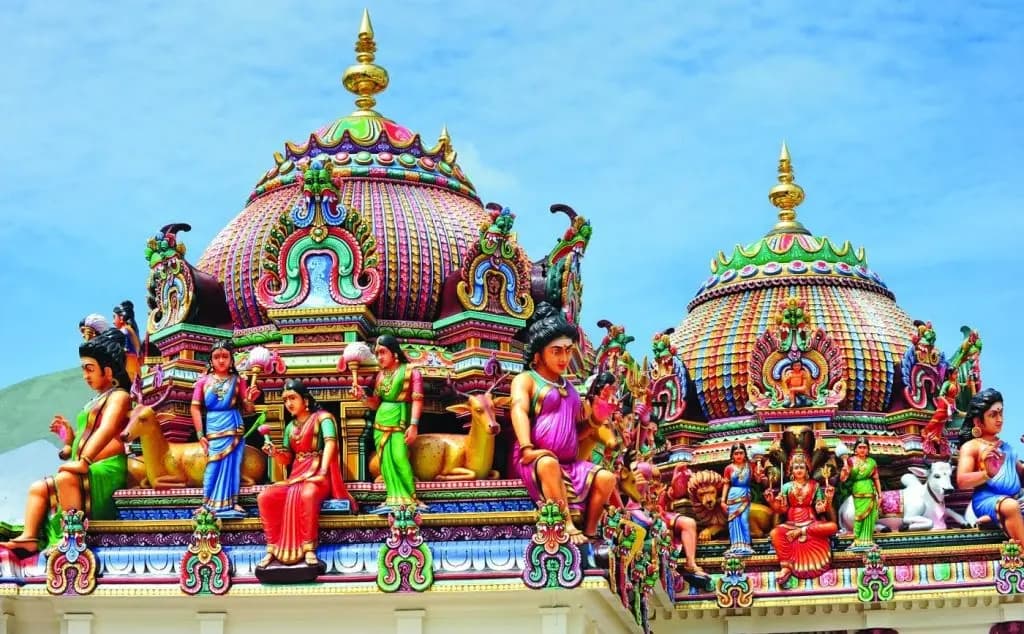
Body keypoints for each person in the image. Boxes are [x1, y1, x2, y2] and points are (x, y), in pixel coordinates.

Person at [0, 329, 132, 557]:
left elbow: (107, 429)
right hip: (85, 465)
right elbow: (82, 440)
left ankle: (71, 539)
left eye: (89, 369)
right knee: (38, 489)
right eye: (83, 369)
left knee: (66, 478)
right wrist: (69, 440)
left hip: (107, 466)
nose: (85, 376)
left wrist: (85, 460)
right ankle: (30, 538)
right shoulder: (93, 402)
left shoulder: (119, 396)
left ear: (108, 370)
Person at [510, 302, 619, 545]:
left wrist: (596, 419)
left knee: (606, 478)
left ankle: (590, 532)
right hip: (534, 458)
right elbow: (518, 409)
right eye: (556, 351)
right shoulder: (526, 380)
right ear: (538, 354)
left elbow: (577, 433)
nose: (564, 358)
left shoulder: (569, 388)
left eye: (568, 351)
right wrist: (527, 447)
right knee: (548, 462)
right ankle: (566, 524)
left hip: (567, 463)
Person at [256, 379, 357, 569]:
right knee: (265, 497)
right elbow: (287, 458)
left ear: (306, 400)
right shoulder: (290, 427)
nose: (289, 404)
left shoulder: (323, 418)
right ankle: (272, 547)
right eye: (285, 400)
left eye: (292, 398)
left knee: (307, 494)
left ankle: (308, 548)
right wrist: (275, 453)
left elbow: (330, 444)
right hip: (296, 477)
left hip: (320, 473)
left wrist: (323, 472)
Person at [351, 335, 423, 513]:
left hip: (399, 422)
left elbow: (417, 399)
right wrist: (362, 397)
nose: (380, 357)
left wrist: (414, 425)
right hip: (380, 423)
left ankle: (411, 498)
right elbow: (376, 403)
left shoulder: (410, 371)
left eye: (383, 352)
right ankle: (392, 497)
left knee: (399, 458)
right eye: (377, 354)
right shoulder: (380, 375)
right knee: (385, 463)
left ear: (394, 353)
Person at [191, 340, 260, 518]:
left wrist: (251, 400)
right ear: (211, 360)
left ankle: (233, 502)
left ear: (231, 360)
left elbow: (248, 410)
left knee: (233, 466)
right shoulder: (203, 382)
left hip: (233, 425)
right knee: (212, 466)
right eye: (216, 357)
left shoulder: (238, 381)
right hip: (213, 427)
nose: (221, 361)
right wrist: (200, 434)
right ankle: (206, 503)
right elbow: (195, 407)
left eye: (225, 356)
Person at [957, 388, 1024, 542]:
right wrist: (987, 473)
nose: (999, 419)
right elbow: (962, 481)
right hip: (987, 499)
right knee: (1011, 507)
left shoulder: (1006, 447)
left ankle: (992, 520)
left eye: (1001, 413)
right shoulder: (972, 446)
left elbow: (1021, 478)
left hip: (1013, 498)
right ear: (978, 421)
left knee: (1012, 505)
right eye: (993, 415)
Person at [765, 450, 838, 585]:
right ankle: (786, 567)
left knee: (832, 527)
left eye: (802, 467)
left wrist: (828, 498)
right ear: (791, 470)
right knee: (775, 533)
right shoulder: (787, 487)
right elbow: (781, 509)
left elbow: (820, 509)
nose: (799, 470)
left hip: (810, 523)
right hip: (791, 524)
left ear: (807, 470)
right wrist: (771, 501)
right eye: (796, 467)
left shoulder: (814, 486)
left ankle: (802, 532)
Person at [839, 437, 881, 551]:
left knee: (871, 517)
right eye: (860, 447)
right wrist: (844, 471)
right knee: (859, 516)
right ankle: (857, 539)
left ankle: (868, 540)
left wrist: (880, 495)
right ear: (855, 449)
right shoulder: (850, 461)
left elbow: (876, 479)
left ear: (868, 450)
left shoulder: (872, 462)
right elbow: (843, 479)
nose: (862, 450)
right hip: (858, 489)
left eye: (865, 447)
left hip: (871, 491)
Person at [721, 443, 762, 557]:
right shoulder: (729, 468)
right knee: (733, 521)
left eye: (741, 453)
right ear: (732, 455)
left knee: (744, 520)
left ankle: (747, 545)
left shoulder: (750, 466)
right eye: (736, 453)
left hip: (745, 494)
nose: (738, 456)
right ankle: (735, 545)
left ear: (745, 454)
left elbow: (758, 480)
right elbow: (726, 484)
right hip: (733, 495)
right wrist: (723, 501)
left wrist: (759, 472)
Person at [112, 300, 142, 382]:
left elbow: (125, 349)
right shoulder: (130, 329)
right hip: (133, 364)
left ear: (121, 318)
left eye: (114, 317)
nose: (113, 322)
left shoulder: (124, 330)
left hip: (128, 364)